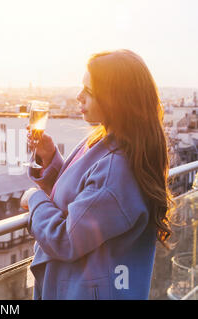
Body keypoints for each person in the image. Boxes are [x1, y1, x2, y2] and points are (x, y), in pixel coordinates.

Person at [20, 49, 173, 300]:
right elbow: (90, 200)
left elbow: (66, 238)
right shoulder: (113, 142)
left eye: (88, 92)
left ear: (115, 100)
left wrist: (34, 200)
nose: (78, 96)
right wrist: (50, 159)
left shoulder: (117, 166)